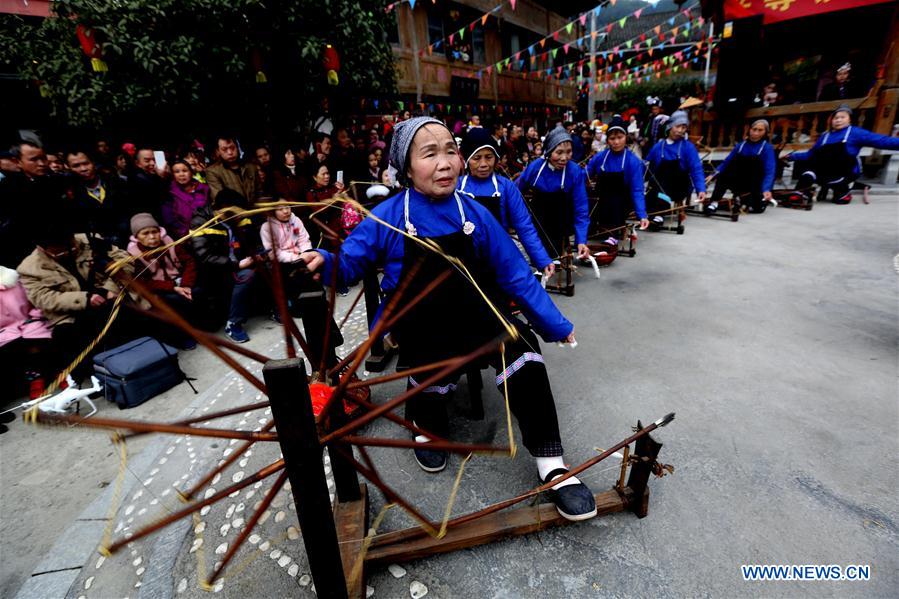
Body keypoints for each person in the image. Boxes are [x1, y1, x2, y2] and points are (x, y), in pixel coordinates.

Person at [298, 117, 597, 521]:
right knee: (428, 364)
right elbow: (350, 264)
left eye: (450, 151)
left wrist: (555, 324)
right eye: (429, 153)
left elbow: (515, 274)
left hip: (480, 312)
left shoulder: (474, 212)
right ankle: (426, 427)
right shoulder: (388, 215)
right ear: (404, 168)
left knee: (525, 355)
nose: (445, 162)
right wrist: (327, 262)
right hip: (421, 321)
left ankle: (553, 465)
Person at [16, 222, 147, 381]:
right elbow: (43, 298)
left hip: (110, 298)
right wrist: (85, 299)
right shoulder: (28, 268)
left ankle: (143, 359)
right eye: (59, 252)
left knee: (128, 315)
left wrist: (111, 288)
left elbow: (124, 259)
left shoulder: (90, 241)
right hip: (70, 314)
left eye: (70, 247)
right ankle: (99, 379)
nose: (67, 252)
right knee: (68, 338)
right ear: (42, 249)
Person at [457, 127, 553, 278]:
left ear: (496, 157)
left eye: (489, 157)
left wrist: (542, 259)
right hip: (464, 260)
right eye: (477, 158)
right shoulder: (456, 187)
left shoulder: (506, 187)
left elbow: (524, 226)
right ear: (467, 160)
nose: (483, 164)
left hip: (499, 255)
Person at [259, 203, 342, 370]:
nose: (286, 211)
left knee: (316, 268)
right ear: (272, 210)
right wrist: (295, 259)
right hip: (284, 264)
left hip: (302, 261)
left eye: (288, 207)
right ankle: (327, 341)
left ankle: (328, 343)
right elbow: (274, 253)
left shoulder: (295, 220)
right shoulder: (266, 227)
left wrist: (304, 256)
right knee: (310, 292)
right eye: (281, 208)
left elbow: (304, 240)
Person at [786, 104, 899, 204]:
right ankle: (799, 194)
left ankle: (844, 192)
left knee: (840, 200)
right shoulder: (825, 136)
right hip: (824, 170)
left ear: (849, 120)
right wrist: (791, 157)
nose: (838, 120)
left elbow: (882, 141)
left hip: (845, 172)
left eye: (842, 117)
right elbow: (811, 154)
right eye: (836, 118)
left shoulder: (856, 133)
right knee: (807, 174)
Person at [190, 189, 263, 343]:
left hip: (241, 262)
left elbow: (253, 242)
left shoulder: (240, 218)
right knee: (246, 276)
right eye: (237, 213)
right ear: (223, 209)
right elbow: (204, 257)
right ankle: (233, 323)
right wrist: (236, 264)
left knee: (268, 265)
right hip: (216, 270)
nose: (241, 216)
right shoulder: (201, 221)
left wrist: (258, 254)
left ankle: (276, 309)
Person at [516, 127, 591, 262]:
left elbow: (581, 208)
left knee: (557, 257)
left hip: (562, 225)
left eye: (568, 152)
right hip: (538, 223)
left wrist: (581, 240)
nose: (564, 158)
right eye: (559, 152)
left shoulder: (574, 172)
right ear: (548, 152)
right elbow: (515, 191)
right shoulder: (535, 167)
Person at [126, 213, 198, 349]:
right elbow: (143, 283)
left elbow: (189, 262)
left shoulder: (169, 241)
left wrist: (186, 285)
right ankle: (183, 337)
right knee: (172, 301)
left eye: (155, 231)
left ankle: (201, 328)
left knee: (197, 291)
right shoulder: (133, 253)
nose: (152, 237)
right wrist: (173, 287)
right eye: (145, 234)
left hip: (180, 281)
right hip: (158, 288)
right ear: (137, 237)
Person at [586, 116, 650, 246]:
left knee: (614, 201)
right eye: (612, 138)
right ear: (607, 140)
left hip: (622, 200)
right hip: (601, 197)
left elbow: (637, 190)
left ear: (626, 137)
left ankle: (612, 236)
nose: (616, 142)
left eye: (620, 138)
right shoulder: (600, 157)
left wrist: (642, 214)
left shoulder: (633, 161)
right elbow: (585, 174)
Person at [645, 111, 706, 228]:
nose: (680, 130)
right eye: (677, 126)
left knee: (665, 176)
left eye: (683, 127)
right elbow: (647, 166)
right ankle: (655, 212)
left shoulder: (688, 147)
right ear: (669, 126)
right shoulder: (658, 146)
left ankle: (660, 214)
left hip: (679, 187)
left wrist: (701, 189)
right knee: (655, 181)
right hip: (660, 188)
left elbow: (696, 168)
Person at [705, 119, 777, 214]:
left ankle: (743, 199)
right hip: (738, 179)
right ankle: (714, 203)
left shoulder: (767, 148)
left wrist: (766, 189)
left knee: (757, 209)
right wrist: (713, 174)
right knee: (724, 174)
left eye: (760, 130)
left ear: (765, 132)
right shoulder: (741, 145)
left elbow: (770, 171)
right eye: (754, 129)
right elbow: (727, 161)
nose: (756, 133)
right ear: (749, 129)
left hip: (754, 182)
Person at [65, 149, 132, 248]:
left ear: (93, 163)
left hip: (127, 240)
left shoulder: (116, 183)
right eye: (76, 166)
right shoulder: (69, 193)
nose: (83, 169)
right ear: (68, 167)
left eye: (86, 163)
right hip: (96, 247)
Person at [162, 160, 210, 239]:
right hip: (187, 236)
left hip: (209, 230)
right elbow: (169, 219)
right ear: (173, 175)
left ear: (191, 172)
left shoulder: (203, 189)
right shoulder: (169, 194)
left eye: (185, 171)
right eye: (177, 172)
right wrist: (186, 234)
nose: (181, 174)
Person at [206, 136, 259, 205]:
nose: (230, 152)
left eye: (232, 148)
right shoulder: (212, 171)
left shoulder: (251, 167)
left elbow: (260, 193)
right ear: (218, 151)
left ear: (237, 147)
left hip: (255, 210)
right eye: (224, 149)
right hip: (232, 213)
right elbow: (220, 200)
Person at [305, 163, 345, 247]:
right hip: (328, 226)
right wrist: (333, 200)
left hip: (342, 221)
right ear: (315, 177)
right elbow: (318, 211)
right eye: (323, 174)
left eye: (327, 173)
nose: (327, 176)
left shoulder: (333, 187)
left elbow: (344, 203)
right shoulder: (311, 193)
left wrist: (341, 191)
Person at [130, 147, 167, 218]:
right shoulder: (138, 179)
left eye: (154, 160)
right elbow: (160, 198)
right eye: (147, 160)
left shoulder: (152, 175)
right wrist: (161, 177)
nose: (153, 163)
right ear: (137, 163)